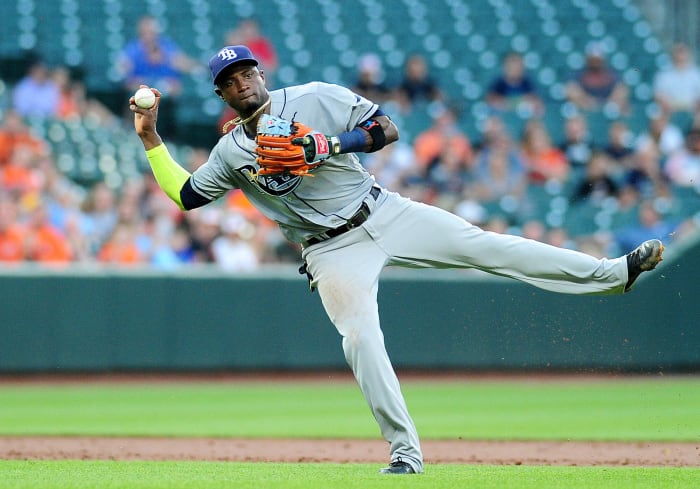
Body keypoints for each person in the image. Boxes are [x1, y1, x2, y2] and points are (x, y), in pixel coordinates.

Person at [130, 44, 665, 475]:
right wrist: (152, 139)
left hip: (382, 210)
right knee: (361, 339)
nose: (242, 83)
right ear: (222, 94)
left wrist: (329, 145)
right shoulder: (230, 152)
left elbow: (386, 128)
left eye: (247, 73)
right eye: (230, 81)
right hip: (329, 249)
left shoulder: (316, 97)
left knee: (487, 245)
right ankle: (405, 451)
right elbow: (188, 196)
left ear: (261, 74)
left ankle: (613, 275)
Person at [565, 43, 629, 114]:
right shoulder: (579, 75)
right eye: (593, 60)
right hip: (585, 111)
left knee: (626, 107)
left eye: (597, 60)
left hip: (609, 109)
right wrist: (589, 104)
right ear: (587, 59)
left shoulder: (611, 75)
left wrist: (610, 105)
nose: (595, 63)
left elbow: (621, 90)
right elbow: (571, 90)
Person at [486, 52, 543, 117]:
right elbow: (491, 102)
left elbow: (537, 105)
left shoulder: (529, 83)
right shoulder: (498, 84)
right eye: (511, 66)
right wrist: (522, 101)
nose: (514, 69)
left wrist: (507, 103)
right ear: (505, 67)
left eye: (517, 66)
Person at [653, 43, 700, 116]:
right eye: (678, 52)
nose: (680, 55)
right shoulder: (664, 74)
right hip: (669, 110)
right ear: (673, 55)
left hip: (693, 111)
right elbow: (658, 95)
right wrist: (669, 106)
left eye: (682, 52)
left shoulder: (696, 74)